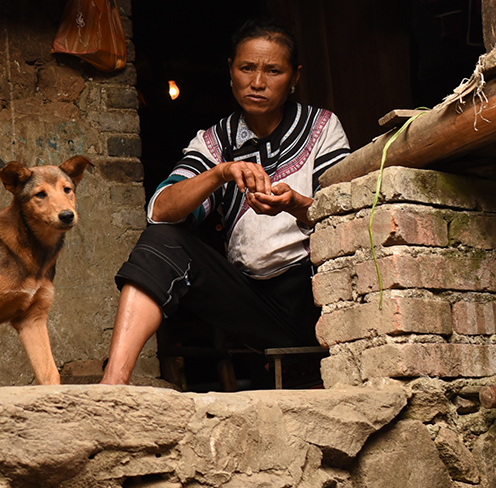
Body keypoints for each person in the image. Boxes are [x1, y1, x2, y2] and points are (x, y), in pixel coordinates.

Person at [101, 19, 349, 386]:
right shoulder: (215, 141)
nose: (258, 82)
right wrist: (219, 173)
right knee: (161, 240)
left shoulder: (321, 127)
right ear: (230, 70)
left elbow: (347, 217)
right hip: (253, 304)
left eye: (273, 71)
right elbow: (160, 210)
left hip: (314, 297)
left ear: (294, 77)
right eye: (246, 68)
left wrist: (295, 205)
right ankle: (113, 384)